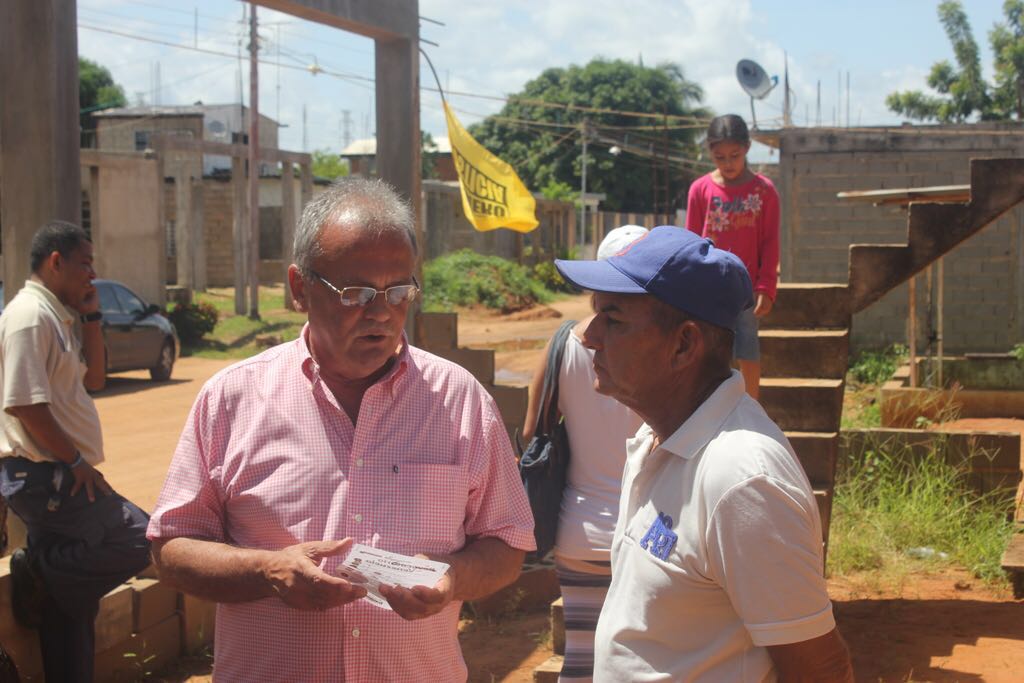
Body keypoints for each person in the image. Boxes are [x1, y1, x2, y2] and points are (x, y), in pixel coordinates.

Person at [147, 177, 536, 682]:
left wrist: (451, 577)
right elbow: (171, 549)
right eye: (355, 293)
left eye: (399, 291)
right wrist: (268, 572)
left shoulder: (460, 400)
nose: (380, 312)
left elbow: (507, 542)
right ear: (298, 288)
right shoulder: (232, 398)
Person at [554, 226, 853, 682]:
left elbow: (820, 669)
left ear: (683, 345)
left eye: (613, 319)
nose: (589, 336)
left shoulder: (741, 479)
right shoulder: (654, 443)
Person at [0, 220, 151, 683]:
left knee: (71, 606)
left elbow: (95, 381)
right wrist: (75, 461)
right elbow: (24, 403)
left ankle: (49, 588)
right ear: (56, 262)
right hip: (45, 475)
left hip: (58, 472)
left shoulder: (56, 316)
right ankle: (41, 574)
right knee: (142, 536)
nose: (93, 273)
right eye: (84, 264)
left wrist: (91, 317)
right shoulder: (29, 316)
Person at [522, 225, 646, 683]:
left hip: (580, 531)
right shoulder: (660, 347)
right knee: (640, 662)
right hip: (651, 533)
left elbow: (533, 431)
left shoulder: (561, 344)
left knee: (582, 659)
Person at [686, 114, 780, 400]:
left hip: (746, 289)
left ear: (748, 148)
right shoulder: (700, 190)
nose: (728, 163)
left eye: (734, 156)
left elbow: (769, 242)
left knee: (748, 350)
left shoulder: (764, 191)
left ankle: (751, 412)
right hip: (709, 288)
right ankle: (711, 412)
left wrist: (766, 287)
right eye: (720, 157)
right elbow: (691, 242)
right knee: (709, 353)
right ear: (710, 154)